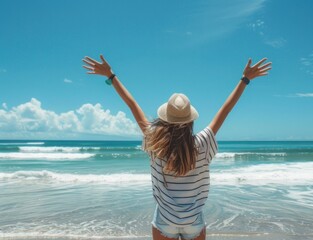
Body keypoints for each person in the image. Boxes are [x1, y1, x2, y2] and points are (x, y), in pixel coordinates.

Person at [82, 55, 271, 240]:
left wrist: (111, 76)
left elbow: (132, 105)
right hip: (193, 220)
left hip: (165, 220)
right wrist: (245, 79)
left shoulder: (155, 143)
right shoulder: (202, 143)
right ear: (190, 120)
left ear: (165, 118)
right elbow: (225, 109)